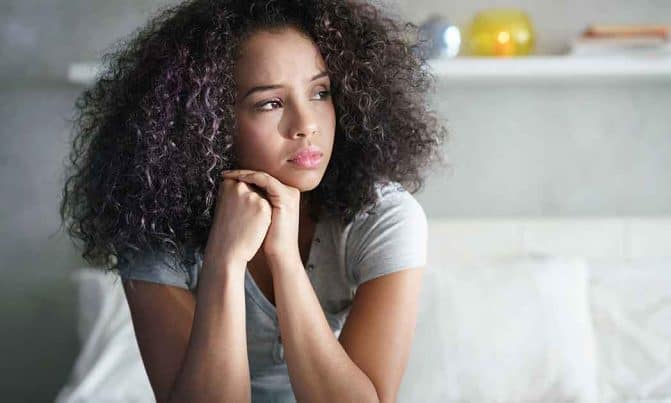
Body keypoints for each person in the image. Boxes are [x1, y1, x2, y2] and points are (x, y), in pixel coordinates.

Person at [59, 0, 447, 402]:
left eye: (320, 92)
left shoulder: (384, 217)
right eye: (270, 103)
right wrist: (224, 261)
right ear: (206, 121)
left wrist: (283, 256)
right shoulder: (152, 225)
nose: (306, 125)